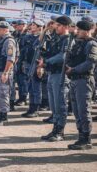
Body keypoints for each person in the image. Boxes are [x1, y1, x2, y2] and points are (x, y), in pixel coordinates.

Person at [39, 16, 72, 141]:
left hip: (61, 75)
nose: (55, 27)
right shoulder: (56, 38)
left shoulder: (68, 39)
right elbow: (48, 51)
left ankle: (60, 132)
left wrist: (46, 62)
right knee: (53, 105)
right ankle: (55, 129)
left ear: (65, 26)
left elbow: (63, 56)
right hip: (52, 74)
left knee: (60, 105)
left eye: (58, 25)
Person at [66, 20, 97, 150]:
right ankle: (81, 137)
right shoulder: (78, 43)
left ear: (86, 30)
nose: (77, 31)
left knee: (84, 111)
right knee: (77, 111)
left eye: (79, 30)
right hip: (75, 80)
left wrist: (73, 70)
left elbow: (90, 63)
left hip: (84, 80)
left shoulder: (91, 44)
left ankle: (86, 139)